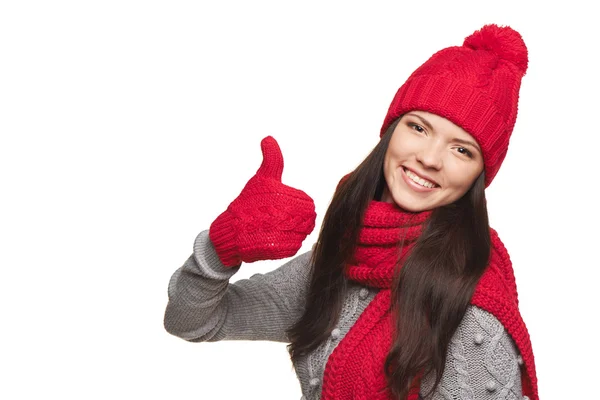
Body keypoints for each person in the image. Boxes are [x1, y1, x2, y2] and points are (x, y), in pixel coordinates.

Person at [163, 23, 538, 400]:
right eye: (419, 128)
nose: (428, 157)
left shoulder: (472, 308)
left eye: (461, 150)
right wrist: (221, 246)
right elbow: (192, 321)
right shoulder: (340, 259)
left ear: (479, 175)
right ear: (391, 131)